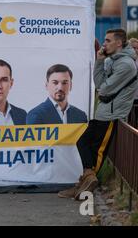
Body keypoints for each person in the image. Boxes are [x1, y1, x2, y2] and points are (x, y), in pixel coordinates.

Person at [58, 29, 137, 199]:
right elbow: (99, 83)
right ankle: (87, 179)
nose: (104, 44)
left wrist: (103, 85)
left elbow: (105, 88)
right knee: (83, 142)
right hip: (103, 112)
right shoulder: (112, 60)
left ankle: (86, 186)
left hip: (112, 115)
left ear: (119, 43)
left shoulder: (125, 64)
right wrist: (100, 62)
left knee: (97, 152)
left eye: (108, 41)